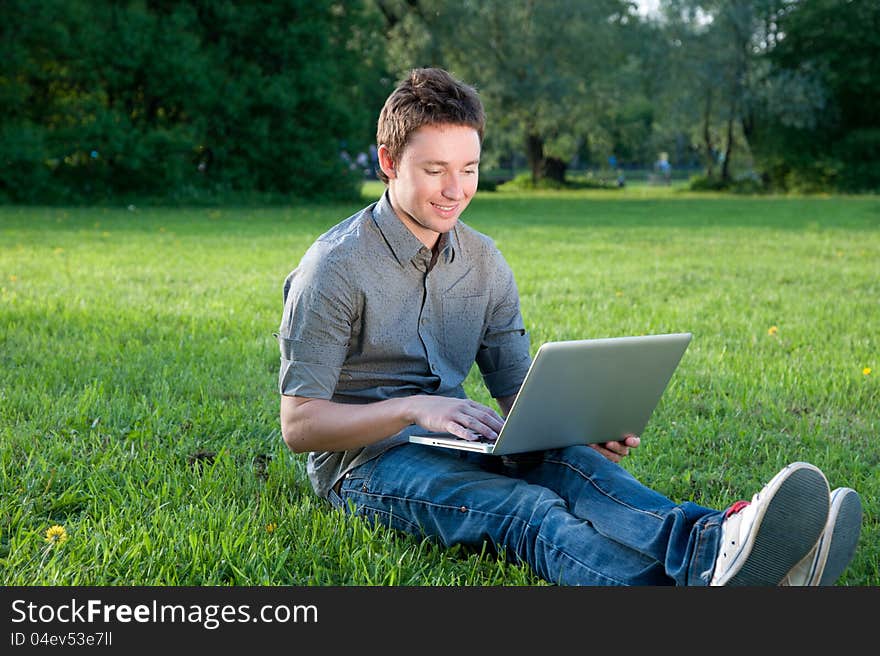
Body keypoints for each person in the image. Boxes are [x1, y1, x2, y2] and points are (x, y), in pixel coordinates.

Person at [276, 67, 862, 586]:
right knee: (528, 509)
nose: (456, 190)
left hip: (456, 441)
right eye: (435, 171)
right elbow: (300, 425)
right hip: (365, 465)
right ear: (387, 161)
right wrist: (414, 408)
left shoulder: (484, 262)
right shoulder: (334, 268)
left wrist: (576, 428)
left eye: (469, 169)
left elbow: (520, 396)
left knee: (571, 465)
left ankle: (716, 549)